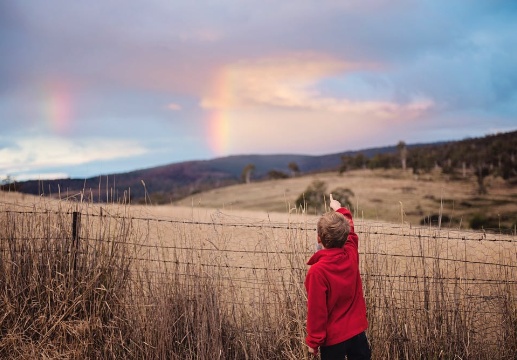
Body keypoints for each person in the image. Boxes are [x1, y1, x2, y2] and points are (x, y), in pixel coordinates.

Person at [305, 194, 371, 359]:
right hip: (357, 333)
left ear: (319, 238)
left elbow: (316, 311)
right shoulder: (350, 253)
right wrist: (339, 209)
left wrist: (313, 342)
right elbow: (351, 230)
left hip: (333, 340)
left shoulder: (317, 272)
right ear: (345, 235)